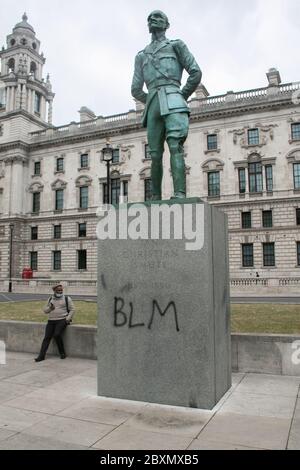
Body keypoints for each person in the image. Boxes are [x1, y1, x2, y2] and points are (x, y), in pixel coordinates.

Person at [131, 10, 202, 200]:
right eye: (150, 19)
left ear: (166, 24)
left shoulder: (176, 45)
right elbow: (135, 89)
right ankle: (155, 196)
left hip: (174, 100)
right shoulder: (140, 56)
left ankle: (179, 193)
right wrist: (152, 100)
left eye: (158, 17)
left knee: (175, 146)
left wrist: (180, 96)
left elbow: (195, 72)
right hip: (153, 104)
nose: (152, 20)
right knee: (154, 154)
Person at [35, 283, 75, 362]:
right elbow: (45, 311)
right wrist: (50, 308)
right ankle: (41, 356)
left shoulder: (67, 298)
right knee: (47, 337)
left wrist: (68, 318)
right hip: (51, 320)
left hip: (62, 320)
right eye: (58, 290)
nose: (60, 292)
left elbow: (72, 309)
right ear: (54, 291)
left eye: (61, 290)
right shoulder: (50, 299)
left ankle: (62, 352)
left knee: (57, 334)